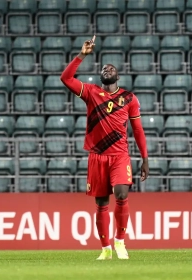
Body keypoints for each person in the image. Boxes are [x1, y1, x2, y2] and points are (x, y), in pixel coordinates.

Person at [60, 35, 149, 260]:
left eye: (111, 68)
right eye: (104, 68)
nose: (107, 68)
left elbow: (138, 130)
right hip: (97, 156)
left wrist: (145, 158)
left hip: (119, 155)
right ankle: (105, 249)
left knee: (121, 194)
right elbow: (66, 78)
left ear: (118, 76)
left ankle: (120, 242)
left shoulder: (129, 98)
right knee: (101, 204)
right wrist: (82, 55)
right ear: (101, 77)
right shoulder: (90, 92)